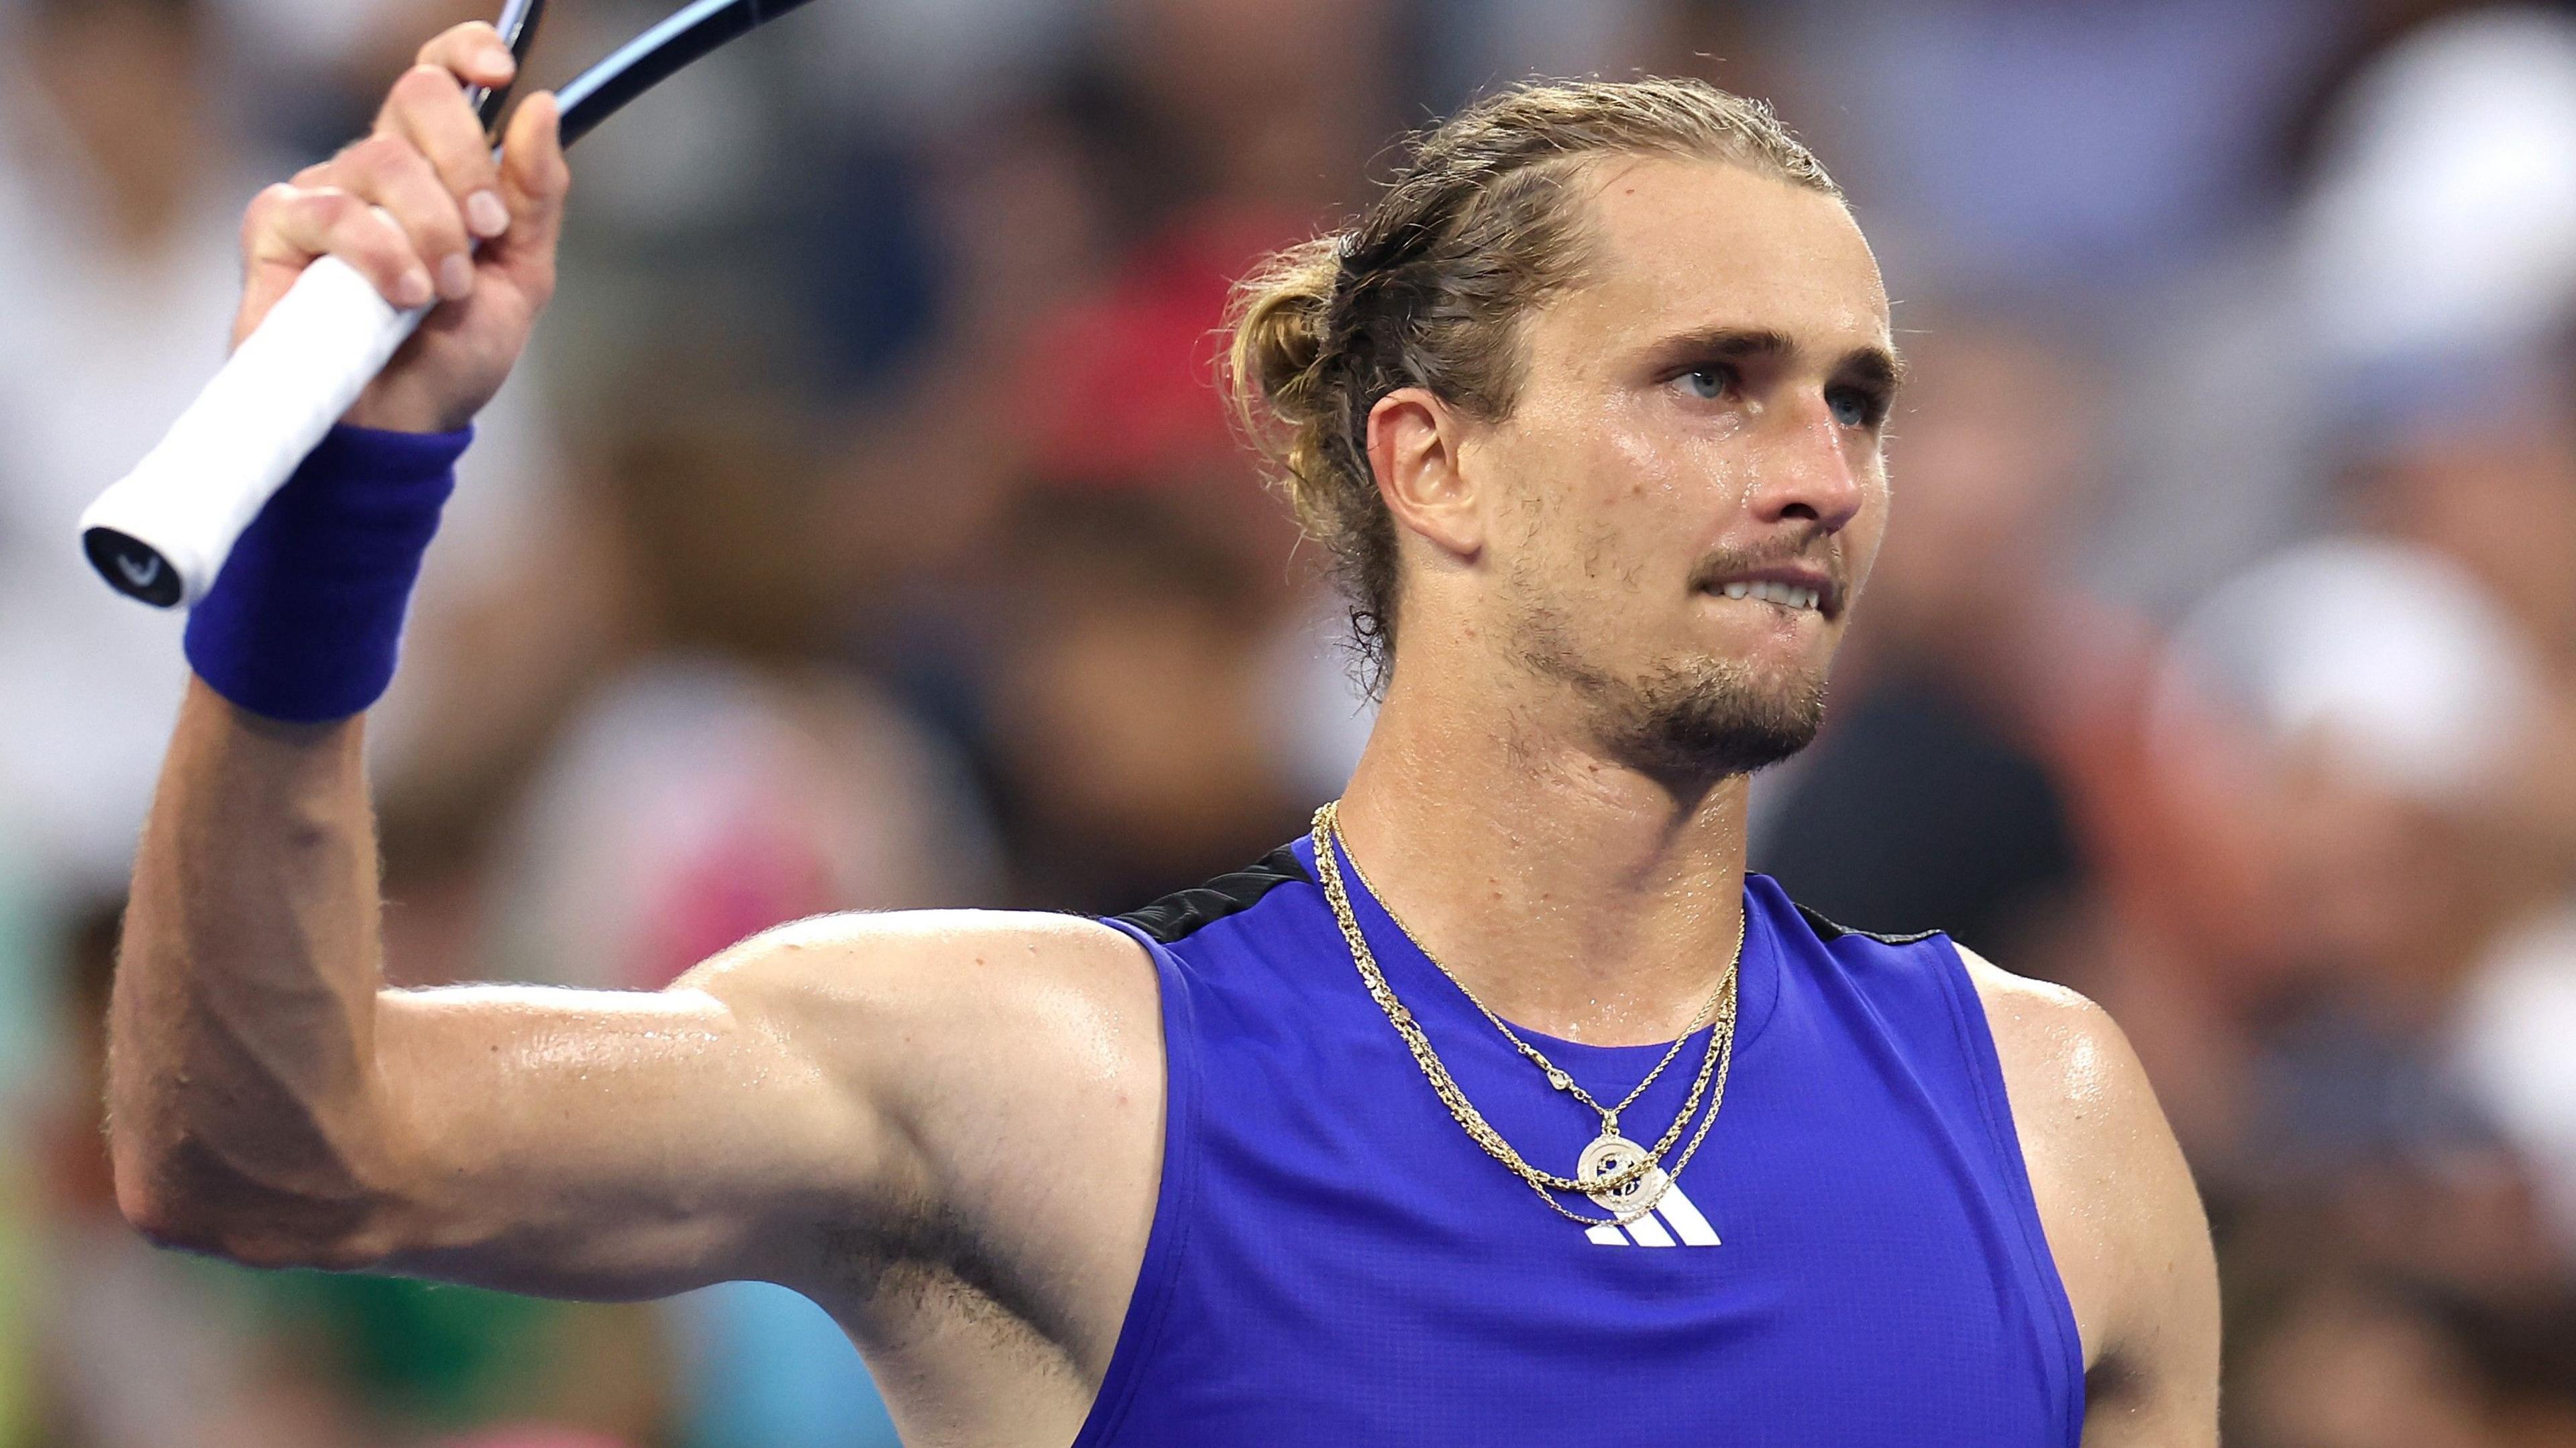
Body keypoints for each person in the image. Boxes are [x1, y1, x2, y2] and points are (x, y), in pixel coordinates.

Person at [104, 23, 2219, 1445]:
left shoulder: (2061, 1124)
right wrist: (340, 516)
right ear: (1435, 463)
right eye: (1713, 380)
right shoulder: (1044, 1074)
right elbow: (273, 1148)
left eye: (1856, 398)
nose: (1824, 473)